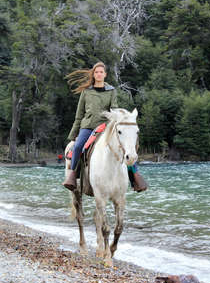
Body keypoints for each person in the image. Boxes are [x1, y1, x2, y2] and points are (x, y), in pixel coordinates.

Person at [62, 61, 147, 192]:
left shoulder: (111, 91)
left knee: (126, 148)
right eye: (96, 72)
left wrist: (120, 116)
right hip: (88, 126)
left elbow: (113, 108)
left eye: (101, 72)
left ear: (105, 74)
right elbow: (79, 115)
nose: (99, 74)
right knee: (78, 146)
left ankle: (134, 177)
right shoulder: (86, 92)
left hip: (105, 126)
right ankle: (73, 175)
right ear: (94, 74)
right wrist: (73, 135)